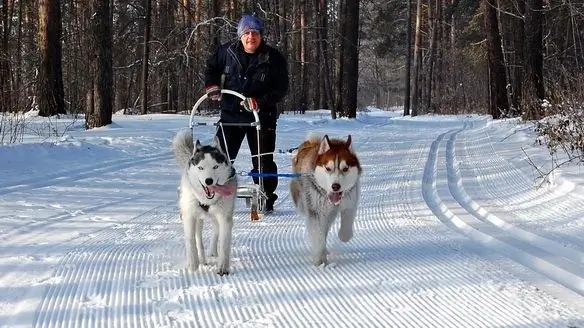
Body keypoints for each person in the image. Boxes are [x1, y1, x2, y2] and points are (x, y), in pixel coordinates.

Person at [204, 14, 289, 212]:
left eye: (256, 33)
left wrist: (259, 101)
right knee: (219, 158)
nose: (252, 37)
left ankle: (266, 197)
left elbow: (281, 87)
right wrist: (212, 86)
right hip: (231, 116)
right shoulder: (226, 52)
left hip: (262, 117)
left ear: (261, 36)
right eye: (247, 33)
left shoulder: (273, 57)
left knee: (263, 160)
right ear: (241, 35)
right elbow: (211, 68)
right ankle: (211, 194)